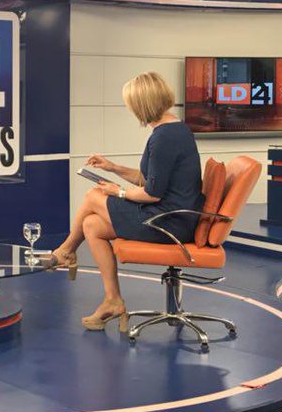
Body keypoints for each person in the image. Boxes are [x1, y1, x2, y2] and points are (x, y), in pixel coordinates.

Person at [42, 71, 202, 330]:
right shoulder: (174, 129)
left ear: (142, 105)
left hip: (168, 223)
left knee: (93, 196)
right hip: (167, 215)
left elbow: (152, 193)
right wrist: (113, 167)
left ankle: (66, 251)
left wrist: (118, 192)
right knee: (92, 226)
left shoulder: (164, 137)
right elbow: (147, 180)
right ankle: (113, 301)